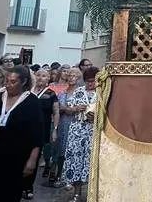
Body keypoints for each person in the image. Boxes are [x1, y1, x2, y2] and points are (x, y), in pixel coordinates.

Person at [0, 66, 43, 202]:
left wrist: (32, 160)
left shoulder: (32, 102)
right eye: (6, 81)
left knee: (9, 194)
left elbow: (37, 134)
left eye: (12, 82)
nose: (8, 85)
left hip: (16, 158)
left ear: (23, 82)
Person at [63, 66, 99, 202]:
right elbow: (67, 109)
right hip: (77, 131)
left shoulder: (101, 93)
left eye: (93, 81)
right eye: (88, 81)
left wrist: (95, 117)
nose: (90, 84)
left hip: (92, 132)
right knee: (76, 161)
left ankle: (92, 194)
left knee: (90, 161)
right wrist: (76, 108)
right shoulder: (78, 91)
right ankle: (76, 193)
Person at [27, 68, 59, 197]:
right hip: (25, 128)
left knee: (35, 156)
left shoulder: (51, 94)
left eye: (44, 76)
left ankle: (29, 187)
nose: (41, 78)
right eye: (38, 75)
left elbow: (56, 112)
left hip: (42, 128)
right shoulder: (28, 92)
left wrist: (55, 130)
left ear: (48, 79)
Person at [48, 67, 82, 188]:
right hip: (63, 122)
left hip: (76, 123)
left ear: (78, 78)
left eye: (74, 76)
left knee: (72, 150)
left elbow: (83, 107)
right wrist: (70, 109)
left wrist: (70, 109)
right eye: (70, 75)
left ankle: (70, 178)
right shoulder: (63, 91)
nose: (71, 78)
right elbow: (58, 107)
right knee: (61, 149)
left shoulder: (80, 91)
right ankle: (58, 175)